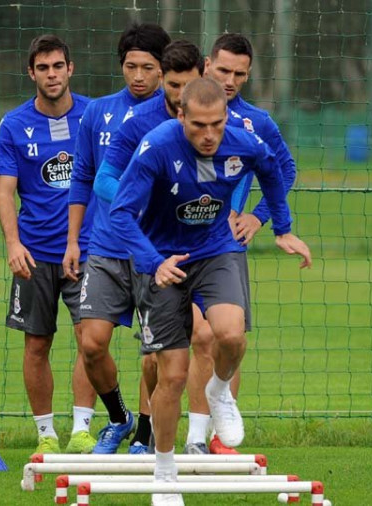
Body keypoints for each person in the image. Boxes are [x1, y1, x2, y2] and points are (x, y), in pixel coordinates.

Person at [110, 77, 311, 505]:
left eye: (216, 125)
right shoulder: (157, 146)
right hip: (164, 259)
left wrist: (281, 227)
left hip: (215, 247)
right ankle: (164, 474)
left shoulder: (244, 142)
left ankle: (219, 391)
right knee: (174, 375)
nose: (208, 135)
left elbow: (275, 172)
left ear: (226, 119)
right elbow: (121, 212)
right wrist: (153, 262)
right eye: (198, 124)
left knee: (232, 334)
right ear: (180, 115)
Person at [93, 39, 245, 454]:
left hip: (209, 249)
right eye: (173, 86)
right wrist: (146, 201)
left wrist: (243, 211)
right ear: (165, 82)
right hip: (151, 248)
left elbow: (258, 166)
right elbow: (104, 181)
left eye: (189, 85)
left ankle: (199, 436)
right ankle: (149, 437)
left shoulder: (225, 120)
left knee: (214, 334)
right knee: (159, 362)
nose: (181, 96)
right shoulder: (140, 126)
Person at [179, 32, 298, 455]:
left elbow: (285, 170)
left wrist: (257, 216)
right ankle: (191, 435)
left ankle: (214, 437)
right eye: (224, 70)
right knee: (197, 337)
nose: (230, 80)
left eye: (240, 74)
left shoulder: (256, 124)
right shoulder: (182, 114)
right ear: (207, 65)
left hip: (225, 247)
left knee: (225, 339)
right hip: (177, 243)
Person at [65, 22, 171, 454]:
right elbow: (84, 177)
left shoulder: (176, 116)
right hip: (105, 247)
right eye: (131, 66)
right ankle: (118, 417)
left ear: (164, 70)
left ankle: (145, 434)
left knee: (154, 354)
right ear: (121, 66)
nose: (139, 76)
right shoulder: (99, 113)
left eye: (148, 67)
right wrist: (74, 240)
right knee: (91, 343)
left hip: (154, 250)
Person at [0, 35, 98, 454]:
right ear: (31, 73)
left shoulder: (94, 117)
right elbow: (5, 192)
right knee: (37, 344)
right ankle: (46, 435)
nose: (51, 74)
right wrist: (13, 244)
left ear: (70, 69)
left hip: (88, 251)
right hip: (34, 253)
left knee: (91, 341)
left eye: (58, 66)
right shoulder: (14, 125)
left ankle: (83, 431)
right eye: (43, 68)